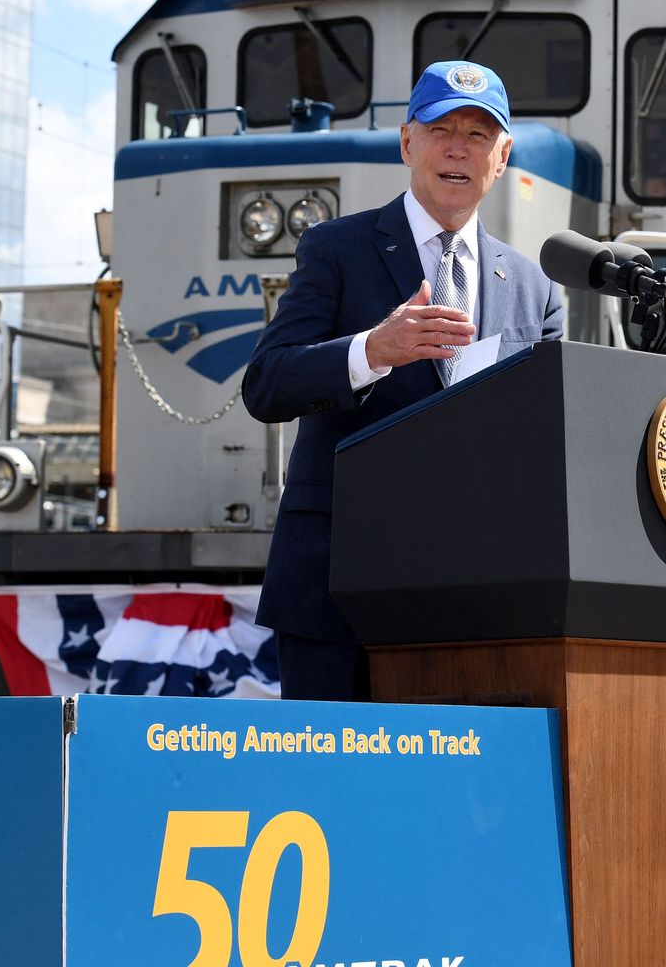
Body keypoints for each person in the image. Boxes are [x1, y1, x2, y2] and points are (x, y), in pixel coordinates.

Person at [242, 61, 566, 701]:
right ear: (407, 143)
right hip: (339, 587)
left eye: (478, 135)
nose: (457, 148)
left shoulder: (535, 288)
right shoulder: (336, 248)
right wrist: (373, 350)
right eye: (441, 127)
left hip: (478, 601)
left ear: (501, 158)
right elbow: (266, 384)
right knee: (330, 784)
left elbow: (549, 444)